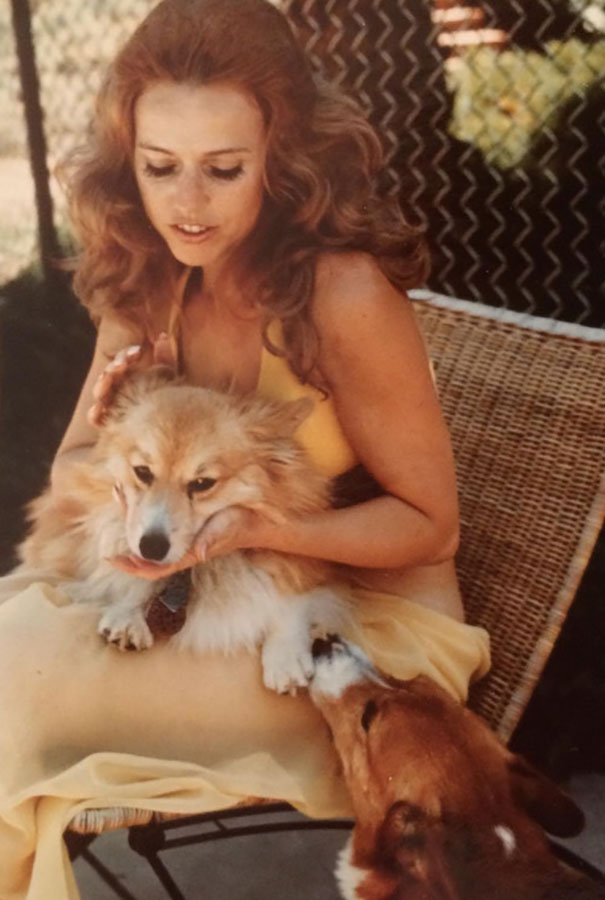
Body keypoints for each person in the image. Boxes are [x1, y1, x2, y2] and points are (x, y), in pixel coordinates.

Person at [0, 0, 490, 896]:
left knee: (11, 700)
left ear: (281, 160)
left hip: (353, 647)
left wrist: (244, 532)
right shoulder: (146, 282)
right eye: (160, 168)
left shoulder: (340, 296)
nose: (185, 205)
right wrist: (112, 443)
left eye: (223, 170)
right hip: (200, 612)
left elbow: (430, 527)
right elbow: (73, 478)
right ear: (129, 168)